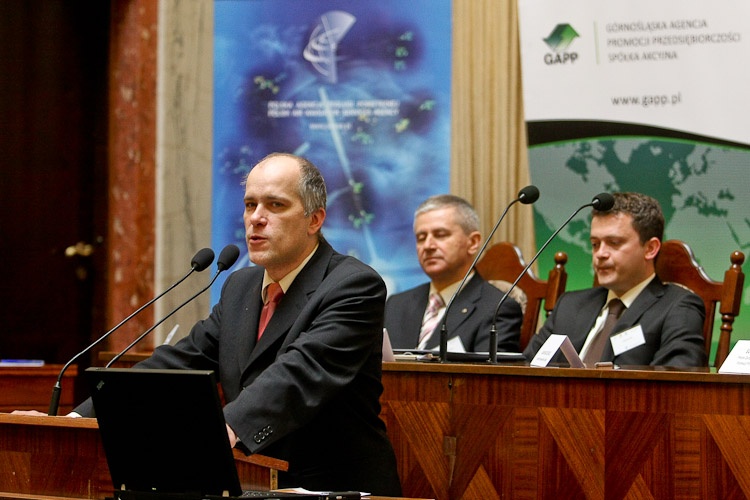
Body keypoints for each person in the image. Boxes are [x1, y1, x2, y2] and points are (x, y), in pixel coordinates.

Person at [74, 153, 402, 494]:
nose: (256, 218)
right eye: (250, 205)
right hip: (252, 482)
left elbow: (299, 374)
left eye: (275, 205)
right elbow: (182, 361)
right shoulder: (241, 286)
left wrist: (224, 428)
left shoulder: (353, 285)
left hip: (334, 486)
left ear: (314, 219)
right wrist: (81, 418)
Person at [524, 192, 707, 367]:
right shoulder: (569, 306)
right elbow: (524, 370)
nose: (600, 254)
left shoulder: (678, 307)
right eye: (595, 244)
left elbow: (676, 377)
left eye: (614, 243)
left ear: (650, 248)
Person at [384, 194, 522, 353]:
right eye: (421, 238)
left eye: (440, 235)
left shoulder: (497, 309)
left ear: (473, 242)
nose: (428, 246)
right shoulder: (396, 305)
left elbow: (489, 369)